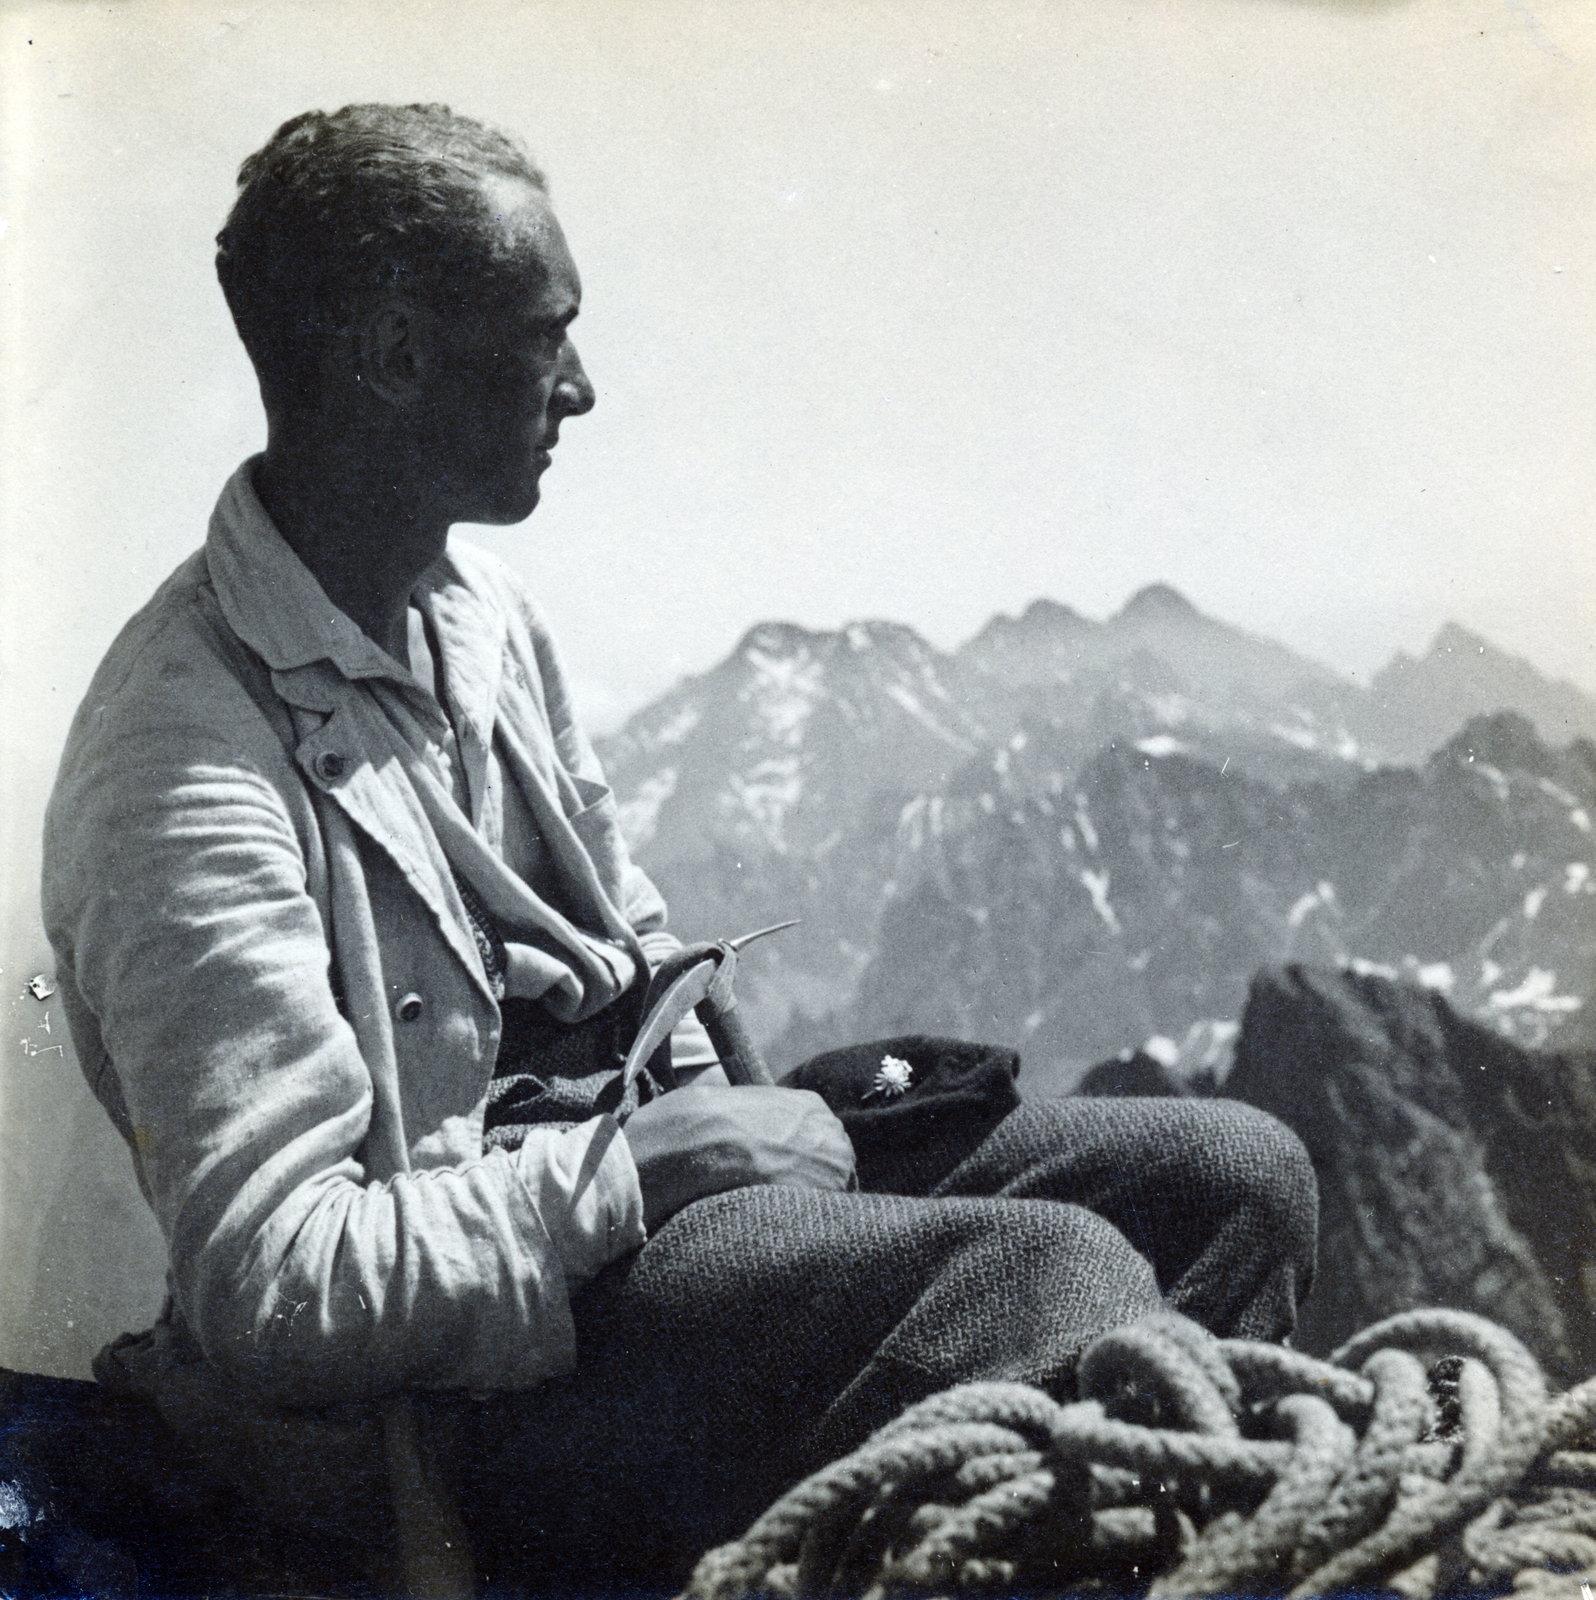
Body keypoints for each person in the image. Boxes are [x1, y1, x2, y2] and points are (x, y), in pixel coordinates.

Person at [42, 103, 1317, 1596]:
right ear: (392, 356)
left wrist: (759, 1152)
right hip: (464, 1390)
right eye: (546, 336)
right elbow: (275, 1285)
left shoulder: (480, 618)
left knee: (1236, 1176)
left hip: (633, 1203)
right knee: (1042, 1277)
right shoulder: (180, 753)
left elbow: (631, 940)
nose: (581, 386)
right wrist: (652, 1171)